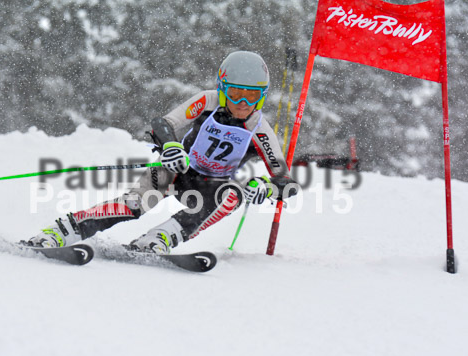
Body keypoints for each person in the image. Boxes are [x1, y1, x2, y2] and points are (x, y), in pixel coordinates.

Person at [24, 50, 298, 254]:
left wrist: (265, 188)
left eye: (252, 96)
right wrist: (170, 147)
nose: (243, 103)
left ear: (262, 96)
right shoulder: (207, 101)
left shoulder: (259, 129)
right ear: (223, 88)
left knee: (232, 195)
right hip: (176, 170)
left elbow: (287, 184)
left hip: (208, 188)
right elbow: (163, 124)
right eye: (236, 93)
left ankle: (160, 238)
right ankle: (62, 231)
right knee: (135, 204)